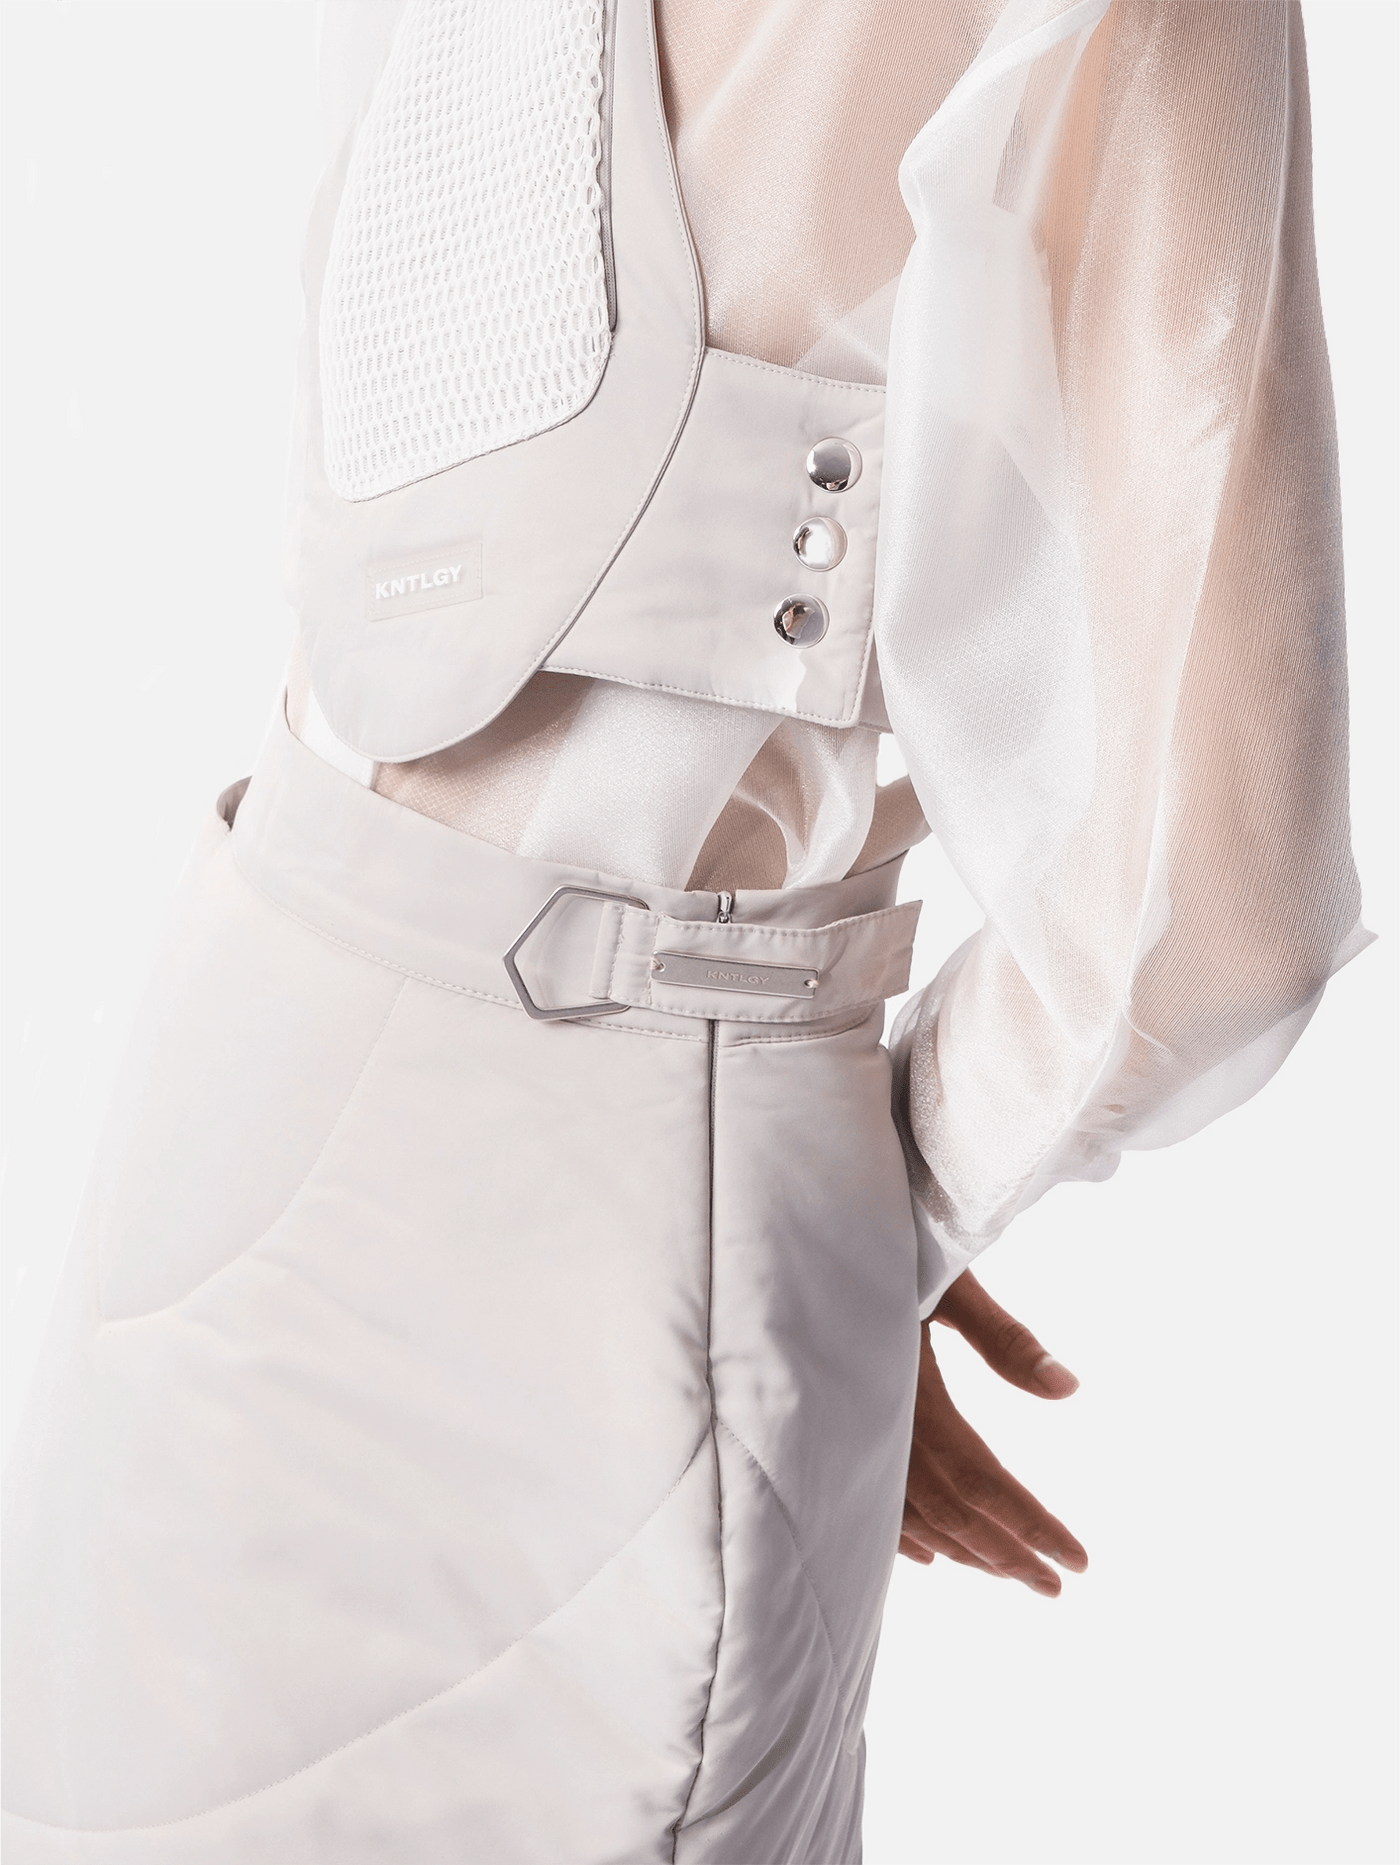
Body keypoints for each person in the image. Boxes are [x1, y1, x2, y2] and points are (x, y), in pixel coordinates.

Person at [1, 3, 1366, 1861]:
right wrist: (872, 1201)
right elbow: (1215, 906)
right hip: (602, 1203)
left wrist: (820, 1200)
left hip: (246, 1063)